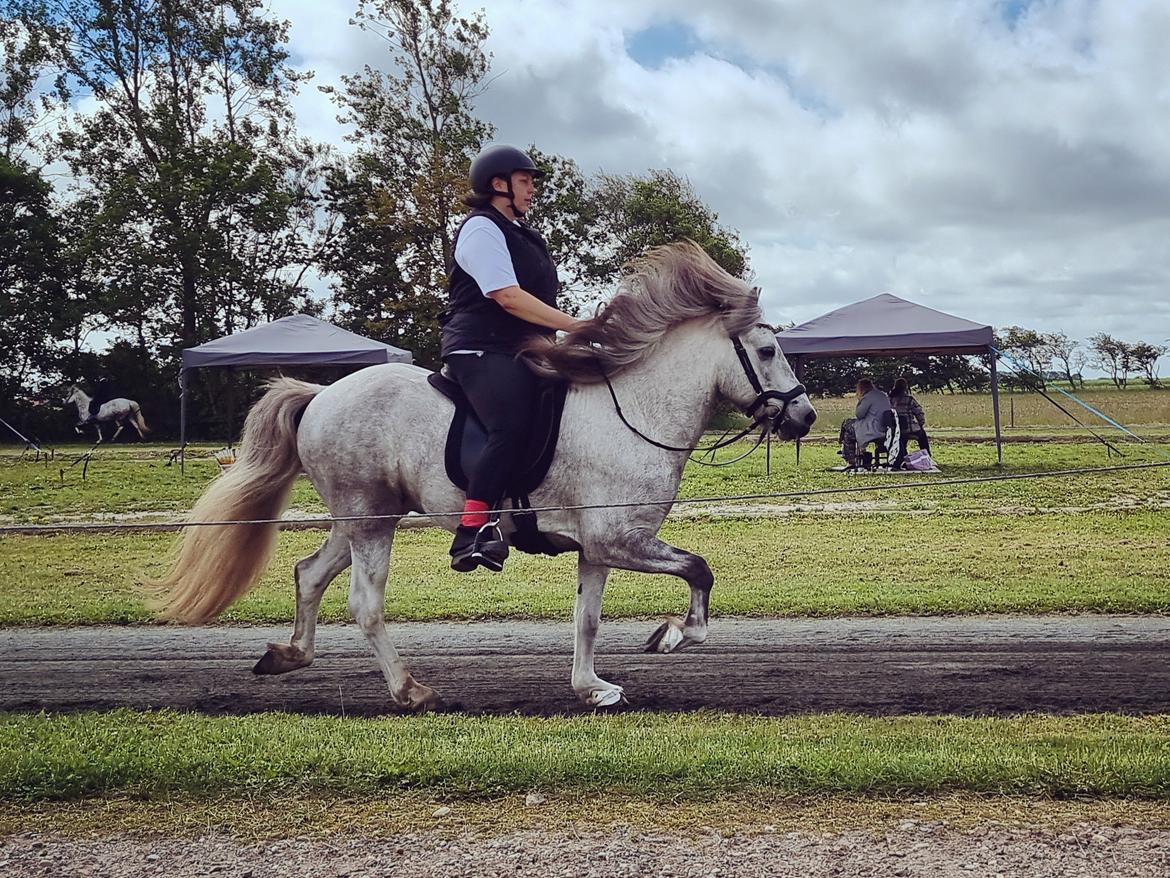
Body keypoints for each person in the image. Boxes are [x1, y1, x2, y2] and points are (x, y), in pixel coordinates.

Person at [440, 144, 582, 573]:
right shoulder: (482, 229)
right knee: (511, 422)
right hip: (480, 344)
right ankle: (472, 529)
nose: (532, 190)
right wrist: (579, 326)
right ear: (498, 185)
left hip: (524, 347)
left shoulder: (525, 234)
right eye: (526, 181)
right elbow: (507, 296)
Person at [837, 378, 892, 468]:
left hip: (872, 428)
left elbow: (859, 414)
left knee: (847, 426)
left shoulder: (867, 397)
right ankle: (846, 448)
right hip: (884, 428)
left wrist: (860, 400)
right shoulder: (882, 395)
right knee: (847, 423)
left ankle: (850, 458)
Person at [889, 377, 929, 453]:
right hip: (909, 429)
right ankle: (926, 454)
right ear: (905, 387)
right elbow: (919, 412)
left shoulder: (889, 400)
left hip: (894, 430)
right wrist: (921, 423)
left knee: (902, 437)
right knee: (922, 435)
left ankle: (903, 454)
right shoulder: (909, 399)